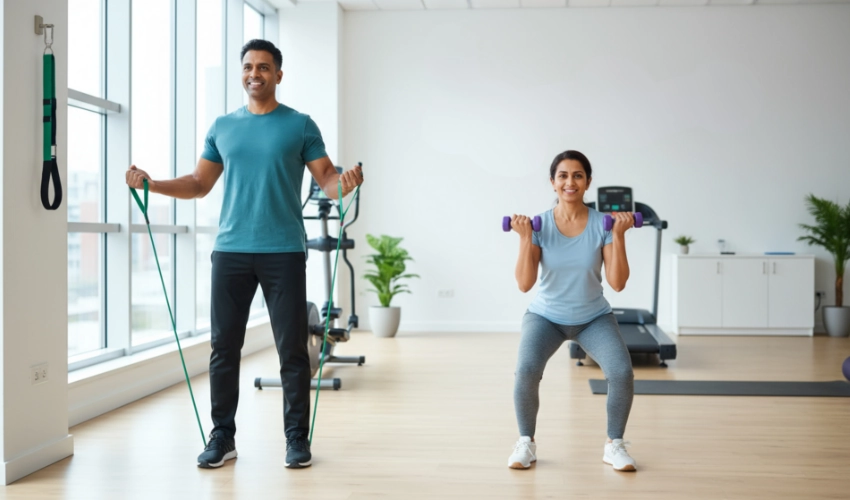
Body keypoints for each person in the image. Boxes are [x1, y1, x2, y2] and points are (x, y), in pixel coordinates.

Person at [125, 39, 363, 470]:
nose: (255, 73)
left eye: (264, 67)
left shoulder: (300, 125)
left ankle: (296, 439)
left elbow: (327, 178)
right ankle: (222, 437)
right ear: (242, 73)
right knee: (223, 349)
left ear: (278, 75)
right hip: (231, 252)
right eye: (249, 67)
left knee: (292, 349)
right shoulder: (222, 127)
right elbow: (199, 184)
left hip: (283, 251)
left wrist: (343, 185)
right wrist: (152, 184)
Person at [507, 150, 637, 471]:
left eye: (578, 175)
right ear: (553, 182)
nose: (570, 182)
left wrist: (618, 235)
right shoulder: (540, 225)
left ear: (588, 182)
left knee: (621, 373)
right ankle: (526, 443)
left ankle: (614, 445)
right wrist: (525, 238)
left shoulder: (602, 224)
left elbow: (617, 283)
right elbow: (524, 284)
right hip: (545, 317)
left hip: (593, 318)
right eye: (563, 175)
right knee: (526, 370)